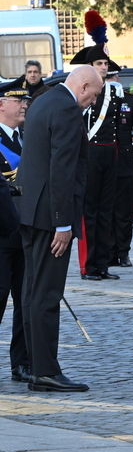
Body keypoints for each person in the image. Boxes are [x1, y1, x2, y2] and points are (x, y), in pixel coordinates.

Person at [18, 65, 102, 392]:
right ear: (82, 86)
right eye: (93, 96)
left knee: (32, 292)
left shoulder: (44, 100)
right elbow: (62, 171)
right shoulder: (67, 110)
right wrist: (62, 223)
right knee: (46, 293)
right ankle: (45, 371)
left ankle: (36, 364)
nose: (92, 102)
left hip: (31, 212)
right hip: (49, 218)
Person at [70, 11, 123, 281]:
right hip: (90, 153)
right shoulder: (81, 93)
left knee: (106, 211)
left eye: (105, 63)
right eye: (99, 63)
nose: (104, 67)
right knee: (88, 212)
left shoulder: (115, 91)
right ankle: (88, 265)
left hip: (109, 153)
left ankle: (103, 264)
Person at [0, 82, 31, 382]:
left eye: (26, 101)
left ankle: (21, 362)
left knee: (25, 301)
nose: (23, 106)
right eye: (17, 101)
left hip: (25, 232)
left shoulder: (27, 137)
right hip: (1, 234)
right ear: (0, 105)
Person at [110, 63, 133, 269]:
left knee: (124, 211)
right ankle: (108, 251)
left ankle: (123, 251)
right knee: (106, 211)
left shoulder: (130, 101)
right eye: (107, 79)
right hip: (104, 165)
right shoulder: (98, 101)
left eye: (114, 78)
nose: (112, 82)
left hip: (125, 164)